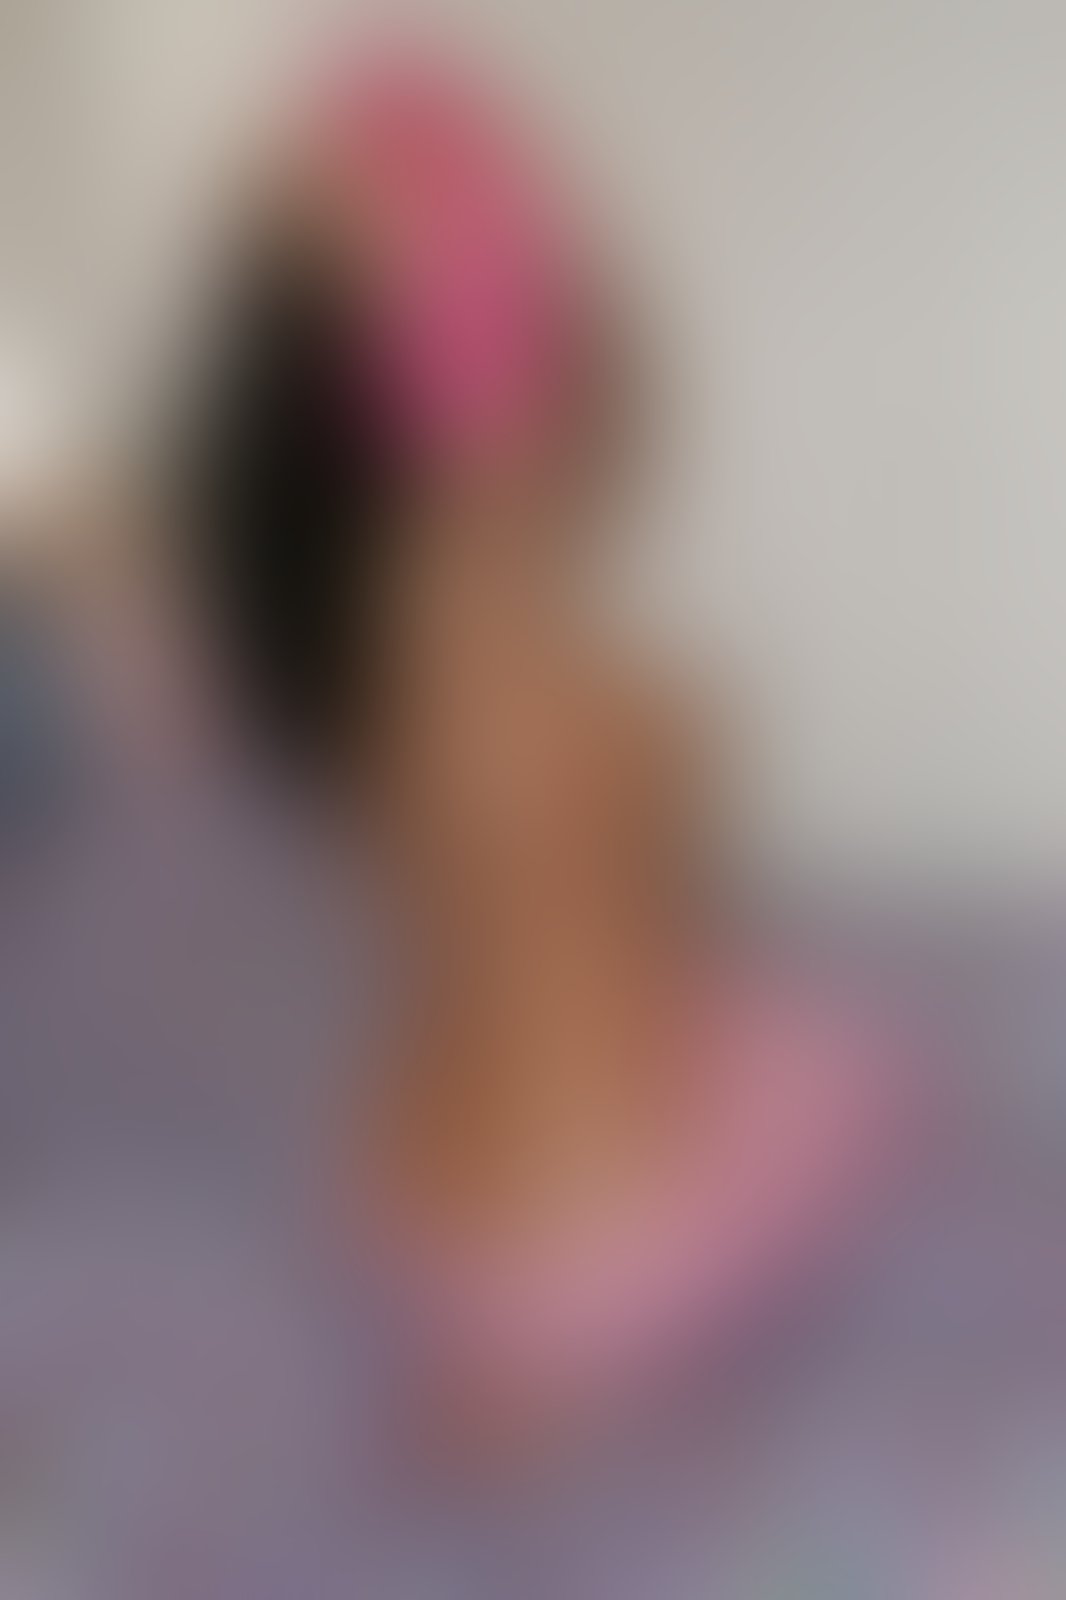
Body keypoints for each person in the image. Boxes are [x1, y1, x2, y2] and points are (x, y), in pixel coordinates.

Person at [184, 53, 901, 1450]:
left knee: (769, 1033)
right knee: (842, 1088)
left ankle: (505, 1346)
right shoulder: (546, 708)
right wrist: (687, 733)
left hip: (412, 1183)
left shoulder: (363, 691)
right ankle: (572, 1365)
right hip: (584, 1232)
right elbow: (641, 801)